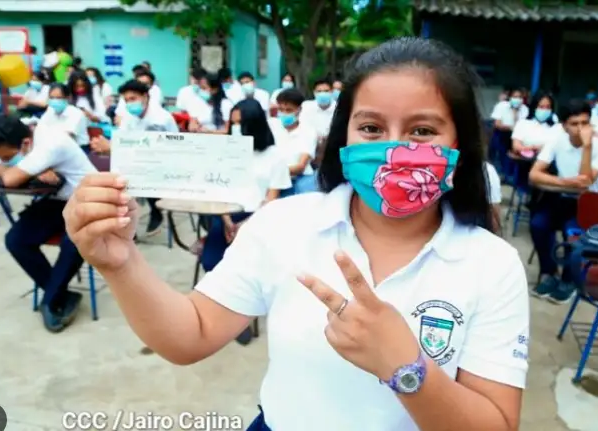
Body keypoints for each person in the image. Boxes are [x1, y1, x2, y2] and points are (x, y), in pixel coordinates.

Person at [64, 36, 529, 431]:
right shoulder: (283, 225)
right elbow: (192, 334)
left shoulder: (491, 265)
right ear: (344, 137)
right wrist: (121, 263)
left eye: (422, 130)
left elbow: (496, 423)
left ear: (460, 144)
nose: (393, 149)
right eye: (371, 127)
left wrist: (405, 368)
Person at [0, 115, 97, 332]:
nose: (4, 161)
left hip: (88, 200)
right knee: (15, 240)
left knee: (73, 242)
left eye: (8, 157)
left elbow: (10, 179)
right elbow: (5, 171)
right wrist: (23, 168)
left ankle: (49, 301)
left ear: (25, 143)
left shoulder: (51, 142)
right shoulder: (20, 139)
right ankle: (59, 294)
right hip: (57, 201)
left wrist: (14, 170)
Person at [201, 98, 292, 344]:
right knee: (211, 260)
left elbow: (272, 199)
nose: (235, 129)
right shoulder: (226, 154)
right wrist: (227, 220)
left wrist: (245, 225)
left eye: (240, 124)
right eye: (232, 124)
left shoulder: (274, 157)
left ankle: (238, 318)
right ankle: (226, 309)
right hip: (228, 215)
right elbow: (218, 191)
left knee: (248, 266)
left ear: (254, 124)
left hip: (259, 218)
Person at [528, 99, 598, 303]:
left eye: (585, 123)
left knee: (572, 234)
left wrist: (587, 146)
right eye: (574, 124)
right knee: (538, 224)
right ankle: (549, 272)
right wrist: (565, 183)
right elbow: (534, 175)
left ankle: (569, 279)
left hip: (590, 203)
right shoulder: (556, 140)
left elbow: (584, 182)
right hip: (562, 197)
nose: (581, 129)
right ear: (564, 126)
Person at [90, 79, 178, 236]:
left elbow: (166, 148)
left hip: (163, 163)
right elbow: (122, 140)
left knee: (138, 175)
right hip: (136, 162)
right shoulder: (129, 118)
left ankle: (155, 211)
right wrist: (107, 147)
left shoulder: (162, 118)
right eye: (126, 100)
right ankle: (128, 226)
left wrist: (115, 148)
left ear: (145, 96)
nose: (130, 104)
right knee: (119, 178)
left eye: (133, 98)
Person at [270, 88, 319, 195]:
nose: (284, 113)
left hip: (299, 180)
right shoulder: (272, 126)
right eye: (281, 109)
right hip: (273, 182)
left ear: (299, 109)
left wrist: (274, 172)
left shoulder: (308, 132)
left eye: (289, 110)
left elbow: (301, 166)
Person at [38, 83, 90, 150]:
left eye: (58, 98)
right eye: (51, 98)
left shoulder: (76, 113)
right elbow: (40, 129)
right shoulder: (50, 110)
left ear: (68, 98)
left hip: (78, 149)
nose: (54, 101)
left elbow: (66, 138)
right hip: (56, 147)